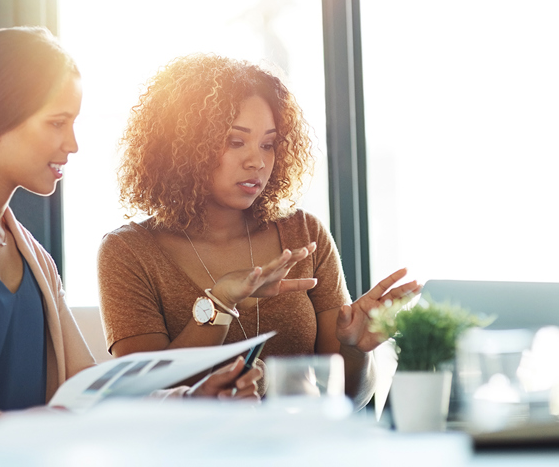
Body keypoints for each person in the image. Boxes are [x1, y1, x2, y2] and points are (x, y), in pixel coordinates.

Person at [0, 29, 260, 446]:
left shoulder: (34, 258)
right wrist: (10, 430)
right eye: (57, 123)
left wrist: (190, 400)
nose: (72, 144)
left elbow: (87, 394)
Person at [97, 54, 421, 407]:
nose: (258, 161)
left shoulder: (304, 234)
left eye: (268, 144)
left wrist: (354, 347)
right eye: (236, 142)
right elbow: (142, 393)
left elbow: (349, 399)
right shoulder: (128, 252)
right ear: (185, 147)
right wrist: (219, 304)